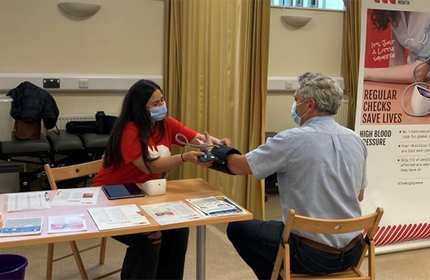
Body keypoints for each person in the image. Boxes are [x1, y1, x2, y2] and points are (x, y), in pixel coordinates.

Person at [224, 73, 367, 279]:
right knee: (275, 226)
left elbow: (239, 167)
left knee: (238, 228)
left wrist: (218, 153)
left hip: (311, 255)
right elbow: (359, 195)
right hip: (353, 251)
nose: (294, 106)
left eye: (295, 101)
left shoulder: (291, 139)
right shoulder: (356, 140)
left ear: (309, 105)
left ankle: (278, 277)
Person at [92, 79, 228, 280]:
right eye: (155, 104)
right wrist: (184, 157)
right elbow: (149, 166)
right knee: (150, 238)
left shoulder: (165, 124)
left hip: (145, 194)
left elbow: (196, 138)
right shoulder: (129, 130)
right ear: (140, 108)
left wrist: (217, 145)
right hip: (112, 196)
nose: (161, 106)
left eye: (162, 100)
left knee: (178, 228)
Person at [365, 10, 430, 83]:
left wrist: (365, 73)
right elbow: (395, 64)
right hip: (414, 83)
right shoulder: (394, 11)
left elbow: (418, 72)